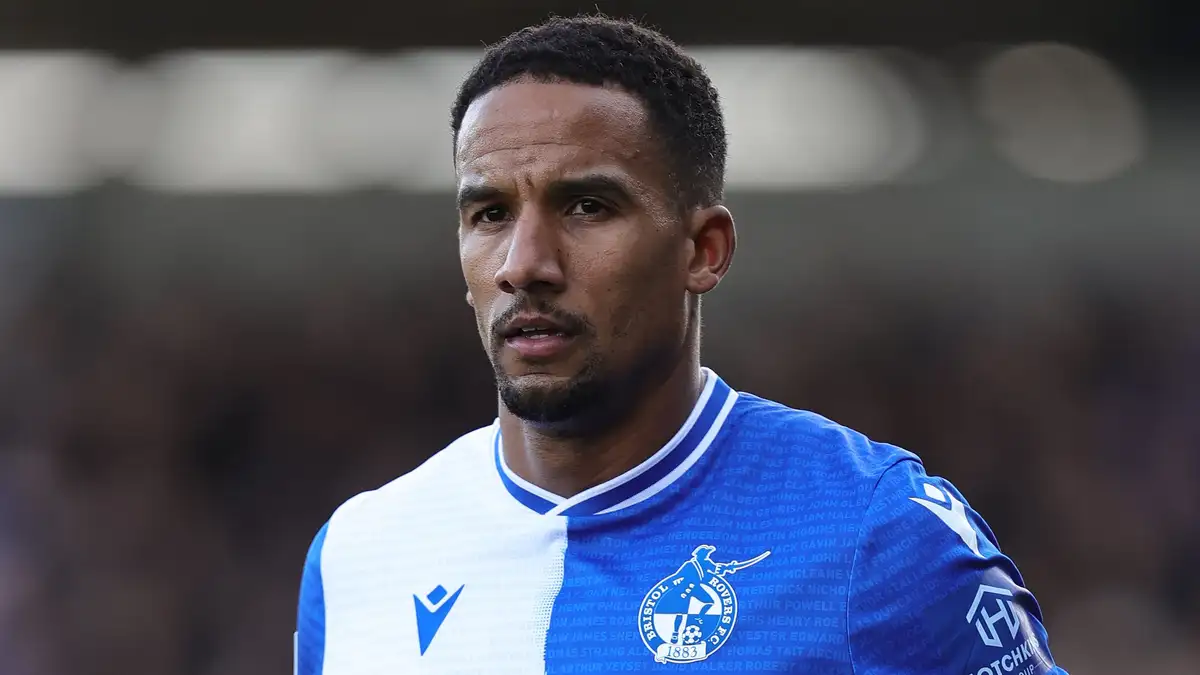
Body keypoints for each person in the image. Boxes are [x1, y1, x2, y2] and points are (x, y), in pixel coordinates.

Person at [296, 15, 1069, 674]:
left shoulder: (881, 534)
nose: (524, 263)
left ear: (704, 250)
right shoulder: (358, 554)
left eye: (587, 206)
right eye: (490, 214)